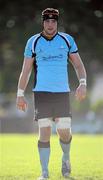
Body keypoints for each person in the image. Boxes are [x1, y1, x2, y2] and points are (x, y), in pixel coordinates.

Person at [16, 8, 87, 180]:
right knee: (44, 131)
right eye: (47, 21)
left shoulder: (67, 40)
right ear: (43, 22)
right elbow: (25, 71)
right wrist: (20, 93)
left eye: (53, 21)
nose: (50, 24)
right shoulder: (33, 42)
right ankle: (44, 172)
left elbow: (78, 65)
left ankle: (66, 158)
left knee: (63, 131)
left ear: (57, 22)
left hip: (62, 93)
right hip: (42, 93)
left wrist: (82, 84)